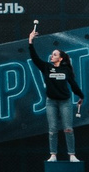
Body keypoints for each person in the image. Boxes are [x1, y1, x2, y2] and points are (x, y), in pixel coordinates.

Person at [30, 21, 82, 161]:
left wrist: (80, 95)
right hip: (51, 102)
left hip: (65, 102)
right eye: (52, 55)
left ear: (60, 58)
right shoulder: (46, 67)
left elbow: (73, 84)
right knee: (52, 130)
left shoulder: (65, 70)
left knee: (68, 129)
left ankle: (72, 155)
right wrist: (30, 42)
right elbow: (35, 59)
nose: (51, 56)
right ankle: (53, 155)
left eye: (54, 55)